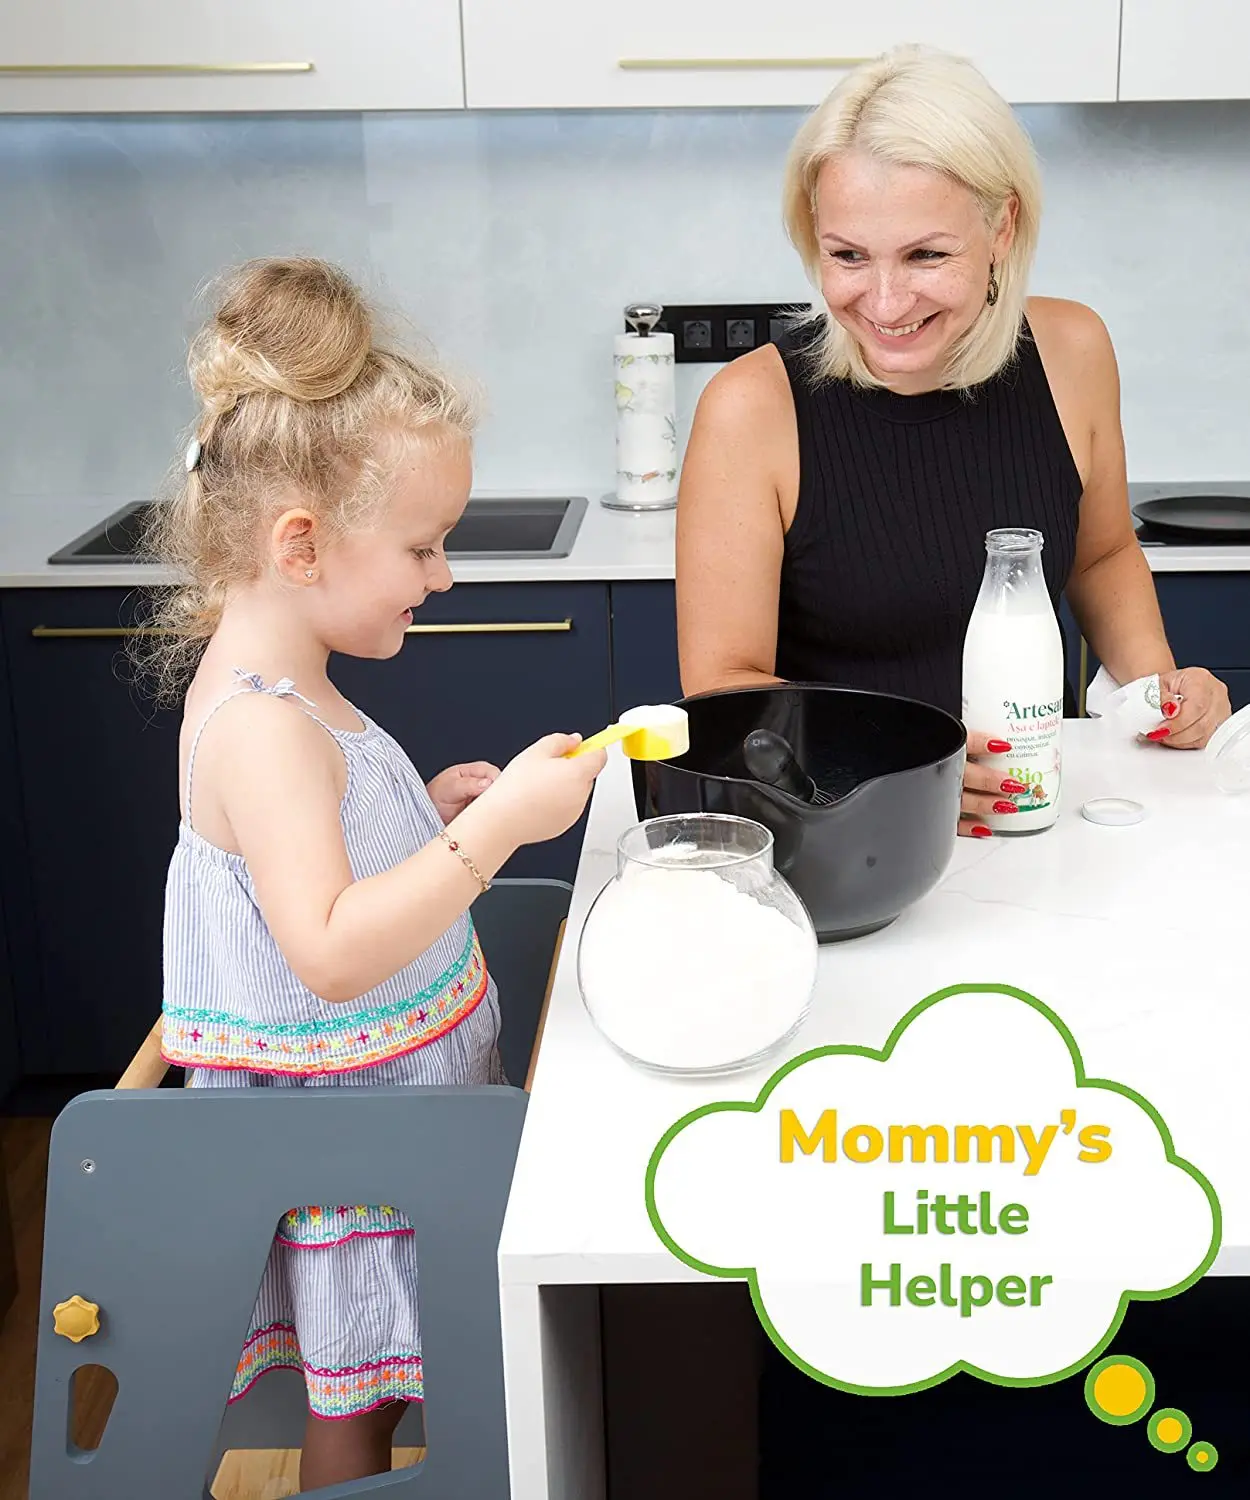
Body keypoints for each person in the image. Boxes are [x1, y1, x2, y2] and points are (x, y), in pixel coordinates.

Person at [143, 257, 605, 1491]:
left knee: (392, 1386)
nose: (442, 575)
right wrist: (494, 831)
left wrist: (435, 816)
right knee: (356, 1417)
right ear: (300, 545)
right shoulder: (264, 724)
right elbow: (332, 948)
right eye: (423, 546)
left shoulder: (287, 687)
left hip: (388, 1123)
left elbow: (321, 866)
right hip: (347, 1148)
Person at [675, 45, 1230, 838]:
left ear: (1001, 227)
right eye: (847, 256)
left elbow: (1102, 554)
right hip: (846, 834)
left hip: (1037, 816)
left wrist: (1159, 693)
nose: (886, 300)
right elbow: (727, 691)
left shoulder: (1073, 351)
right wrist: (895, 769)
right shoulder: (750, 410)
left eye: (927, 254)